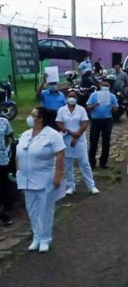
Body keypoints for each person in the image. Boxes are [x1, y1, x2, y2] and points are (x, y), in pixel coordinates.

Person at [17, 107, 65, 253]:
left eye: (33, 115)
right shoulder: (25, 134)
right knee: (32, 210)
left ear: (41, 118)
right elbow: (18, 152)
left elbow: (60, 154)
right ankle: (36, 237)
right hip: (26, 178)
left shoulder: (52, 135)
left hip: (44, 178)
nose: (30, 118)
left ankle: (45, 238)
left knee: (45, 209)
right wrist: (18, 169)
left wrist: (58, 175)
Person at [56, 90, 99, 196]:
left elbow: (84, 123)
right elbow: (59, 122)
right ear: (66, 98)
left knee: (84, 163)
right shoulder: (62, 110)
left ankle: (91, 186)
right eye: (70, 96)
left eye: (73, 96)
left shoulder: (81, 109)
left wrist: (77, 135)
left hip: (79, 139)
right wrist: (70, 132)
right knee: (68, 164)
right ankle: (71, 186)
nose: (71, 98)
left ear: (77, 98)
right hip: (66, 138)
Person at [86, 78, 118, 169]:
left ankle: (103, 162)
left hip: (107, 120)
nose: (105, 87)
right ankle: (92, 162)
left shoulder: (112, 96)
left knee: (106, 142)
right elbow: (88, 107)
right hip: (95, 120)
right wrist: (94, 105)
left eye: (106, 86)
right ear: (100, 86)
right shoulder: (94, 95)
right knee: (93, 142)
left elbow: (116, 109)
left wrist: (113, 108)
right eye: (103, 85)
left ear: (109, 86)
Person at [0, 116, 14, 226]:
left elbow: (8, 137)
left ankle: (5, 213)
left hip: (2, 158)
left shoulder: (4, 121)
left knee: (4, 185)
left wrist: (4, 149)